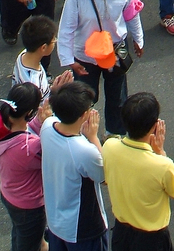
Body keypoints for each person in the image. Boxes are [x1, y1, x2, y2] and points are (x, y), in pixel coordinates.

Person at [58, 0, 145, 137]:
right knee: (85, 98)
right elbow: (66, 28)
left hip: (114, 53)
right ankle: (83, 133)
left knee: (118, 96)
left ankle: (114, 132)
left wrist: (138, 39)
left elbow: (132, 15)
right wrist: (69, 61)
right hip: (85, 57)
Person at [101, 93, 174, 250]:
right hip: (152, 239)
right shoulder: (162, 165)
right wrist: (161, 152)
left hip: (121, 233)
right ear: (154, 126)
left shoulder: (109, 146)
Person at [40, 80, 108, 251]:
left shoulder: (47, 127)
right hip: (83, 230)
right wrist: (93, 137)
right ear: (84, 115)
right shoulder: (85, 150)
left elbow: (49, 116)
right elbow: (105, 177)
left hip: (56, 223)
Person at [0, 82, 53, 251]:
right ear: (30, 113)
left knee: (19, 234)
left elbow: (26, 128)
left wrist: (38, 121)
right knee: (28, 245)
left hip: (9, 195)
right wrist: (46, 125)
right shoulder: (29, 148)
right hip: (29, 207)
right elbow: (52, 157)